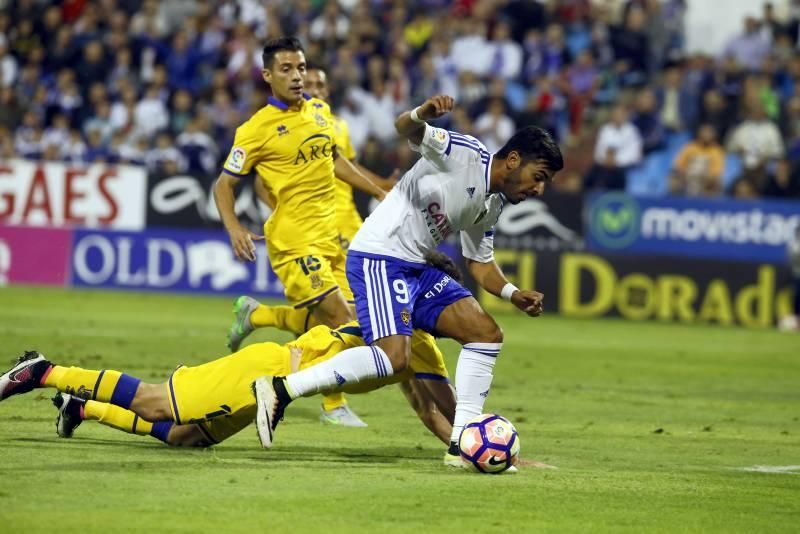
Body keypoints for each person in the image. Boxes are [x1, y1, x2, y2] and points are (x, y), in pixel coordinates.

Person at [251, 94, 563, 470]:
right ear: (513, 161)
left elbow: (479, 262)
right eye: (538, 177)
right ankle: (281, 389)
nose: (538, 189)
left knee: (485, 333)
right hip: (379, 255)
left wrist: (513, 294)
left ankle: (461, 444)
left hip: (415, 266)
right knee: (394, 359)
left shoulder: (492, 204)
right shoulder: (465, 154)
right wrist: (423, 114)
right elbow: (405, 128)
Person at [214, 38, 387, 426]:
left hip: (333, 240)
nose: (297, 76)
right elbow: (224, 185)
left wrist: (378, 190)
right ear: (267, 75)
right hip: (295, 244)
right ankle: (309, 397)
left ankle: (258, 319)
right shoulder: (255, 130)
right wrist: (234, 227)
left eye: (301, 68)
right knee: (344, 323)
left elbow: (336, 160)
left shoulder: (321, 113)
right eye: (287, 69)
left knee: (347, 322)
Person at [0, 319, 454, 447]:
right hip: (263, 371)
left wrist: (462, 447)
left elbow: (430, 410)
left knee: (186, 436)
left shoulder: (419, 352)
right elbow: (312, 341)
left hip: (277, 387)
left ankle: (79, 407)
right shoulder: (385, 321)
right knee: (155, 404)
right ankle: (44, 372)